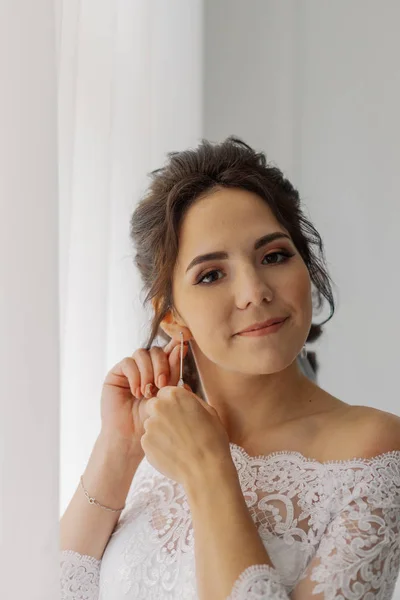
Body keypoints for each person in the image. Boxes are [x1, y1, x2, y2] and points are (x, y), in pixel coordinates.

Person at [60, 136, 400, 599]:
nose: (254, 291)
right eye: (211, 274)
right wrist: (117, 449)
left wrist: (209, 470)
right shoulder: (149, 445)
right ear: (170, 314)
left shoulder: (375, 452)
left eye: (274, 255)